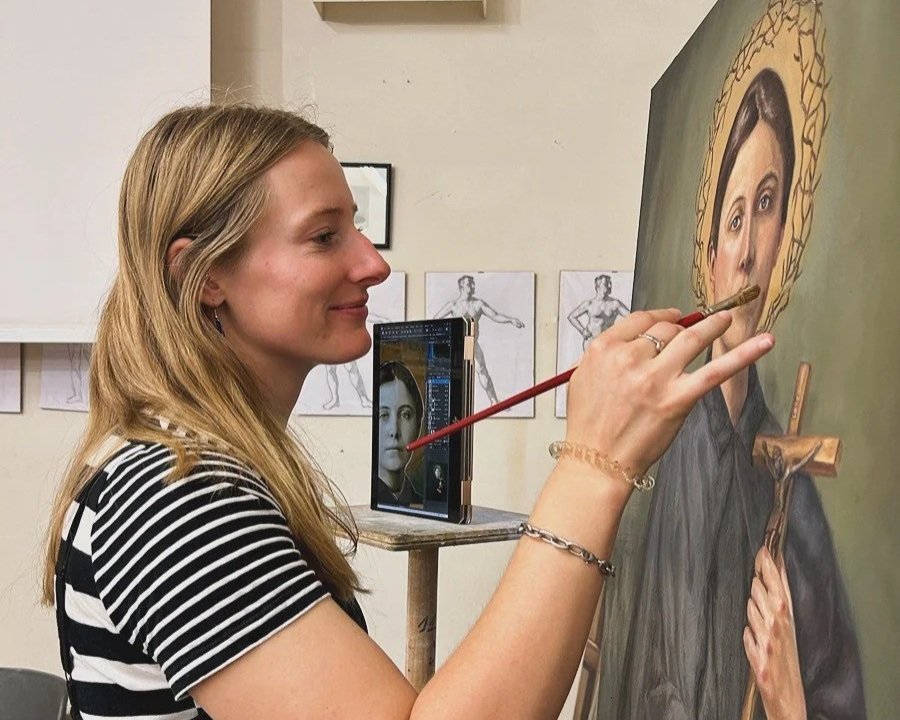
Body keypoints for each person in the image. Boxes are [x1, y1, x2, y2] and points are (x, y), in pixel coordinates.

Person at [42, 103, 773, 720]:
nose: (372, 262)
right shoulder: (177, 495)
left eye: (355, 228)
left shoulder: (186, 466)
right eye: (325, 235)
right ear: (202, 277)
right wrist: (594, 466)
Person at [611, 68, 865, 720]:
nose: (747, 250)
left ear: (786, 235)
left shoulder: (789, 474)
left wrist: (790, 698)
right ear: (710, 254)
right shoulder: (654, 445)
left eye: (767, 204)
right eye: (732, 219)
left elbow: (839, 691)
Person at [432, 275, 525, 405]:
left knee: (481, 371)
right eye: (470, 284)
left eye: (473, 283)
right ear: (462, 286)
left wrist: (510, 320)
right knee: (455, 375)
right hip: (456, 344)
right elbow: (434, 321)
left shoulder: (478, 304)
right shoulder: (453, 305)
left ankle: (494, 401)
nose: (473, 286)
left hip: (471, 342)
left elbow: (495, 315)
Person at [376, 361, 424, 506]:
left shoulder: (423, 505)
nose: (394, 431)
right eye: (383, 415)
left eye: (405, 415)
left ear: (418, 425)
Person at [567, 274, 630, 350]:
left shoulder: (615, 304)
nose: (609, 286)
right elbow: (571, 317)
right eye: (606, 284)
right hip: (591, 341)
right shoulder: (589, 304)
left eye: (610, 284)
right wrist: (582, 331)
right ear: (598, 287)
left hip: (608, 342)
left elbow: (632, 317)